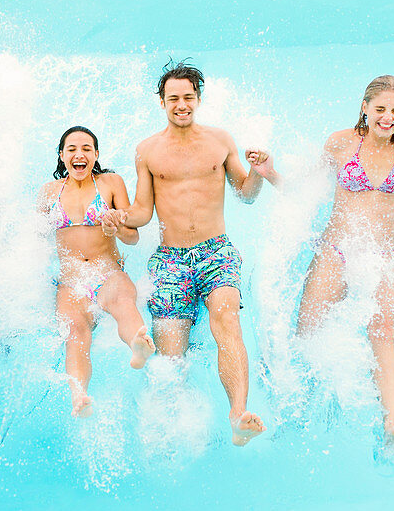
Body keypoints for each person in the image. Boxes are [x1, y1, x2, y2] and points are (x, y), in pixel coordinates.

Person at [115, 61, 280, 446]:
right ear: (162, 102)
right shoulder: (147, 151)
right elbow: (142, 211)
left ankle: (238, 413)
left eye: (188, 97)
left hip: (216, 251)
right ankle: (173, 432)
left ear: (198, 99)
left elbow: (246, 194)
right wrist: (118, 217)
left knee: (226, 317)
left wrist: (258, 171)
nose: (181, 104)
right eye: (173, 98)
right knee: (172, 357)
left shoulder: (220, 141)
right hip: (170, 258)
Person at [296, 75, 394, 449]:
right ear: (365, 107)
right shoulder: (340, 143)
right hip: (336, 252)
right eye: (380, 109)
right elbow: (303, 183)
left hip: (380, 257)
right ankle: (304, 407)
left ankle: (392, 423)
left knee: (385, 337)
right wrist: (270, 172)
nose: (387, 117)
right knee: (309, 333)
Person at [38, 126, 156, 418]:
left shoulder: (110, 183)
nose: (80, 155)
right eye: (72, 149)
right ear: (62, 155)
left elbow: (133, 237)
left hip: (108, 271)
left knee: (122, 303)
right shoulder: (48, 192)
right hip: (70, 280)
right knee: (75, 332)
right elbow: (37, 243)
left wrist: (116, 226)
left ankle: (138, 345)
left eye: (87, 149)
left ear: (96, 154)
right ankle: (79, 395)